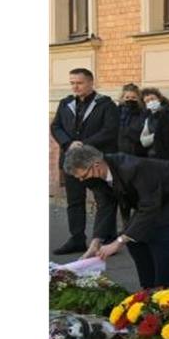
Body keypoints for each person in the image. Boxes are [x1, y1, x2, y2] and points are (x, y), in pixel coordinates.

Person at [64, 144, 169, 290]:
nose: (82, 180)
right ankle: (147, 288)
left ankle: (163, 288)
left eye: (83, 176)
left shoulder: (133, 168)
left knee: (157, 233)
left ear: (96, 165)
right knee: (134, 240)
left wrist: (118, 242)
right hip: (155, 197)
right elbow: (106, 206)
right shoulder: (95, 177)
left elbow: (149, 207)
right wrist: (96, 242)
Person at [51, 68, 120, 255]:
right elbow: (56, 126)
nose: (75, 86)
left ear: (91, 83)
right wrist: (68, 143)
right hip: (72, 162)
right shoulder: (66, 103)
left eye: (79, 83)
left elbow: (110, 130)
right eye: (72, 82)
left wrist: (84, 144)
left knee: (104, 199)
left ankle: (105, 238)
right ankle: (77, 239)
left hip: (96, 161)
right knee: (74, 201)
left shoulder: (105, 104)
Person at [139, 87, 169, 161]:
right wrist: (157, 135)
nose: (150, 102)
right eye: (147, 101)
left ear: (159, 99)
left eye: (152, 99)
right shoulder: (148, 119)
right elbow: (144, 141)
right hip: (154, 156)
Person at [117, 83, 147, 156]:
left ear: (138, 99)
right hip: (118, 152)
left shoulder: (143, 113)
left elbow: (140, 133)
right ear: (122, 98)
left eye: (133, 97)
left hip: (137, 152)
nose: (130, 100)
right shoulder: (115, 112)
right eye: (127, 97)